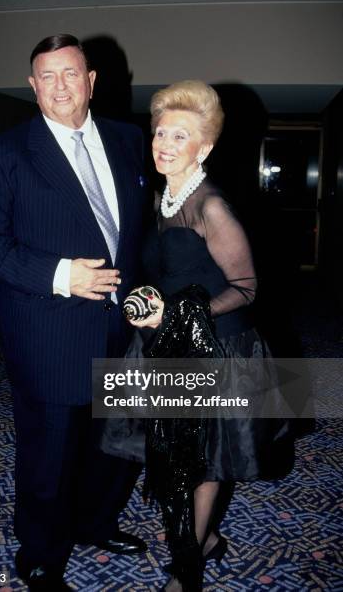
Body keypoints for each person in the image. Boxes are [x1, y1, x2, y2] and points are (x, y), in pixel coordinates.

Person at [0, 34, 148, 591]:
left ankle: (94, 523)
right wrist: (64, 275)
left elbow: (137, 233)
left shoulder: (128, 139)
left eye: (71, 73)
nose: (60, 85)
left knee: (113, 445)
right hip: (50, 331)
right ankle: (41, 551)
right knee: (50, 454)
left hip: (123, 327)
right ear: (33, 86)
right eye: (48, 76)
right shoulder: (7, 152)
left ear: (91, 81)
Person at [128, 80, 294, 592]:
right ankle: (204, 540)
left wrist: (179, 314)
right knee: (175, 453)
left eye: (181, 136)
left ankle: (189, 566)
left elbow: (246, 288)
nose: (166, 144)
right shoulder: (162, 197)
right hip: (172, 345)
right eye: (161, 132)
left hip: (216, 349)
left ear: (205, 147)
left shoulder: (212, 207)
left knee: (202, 462)